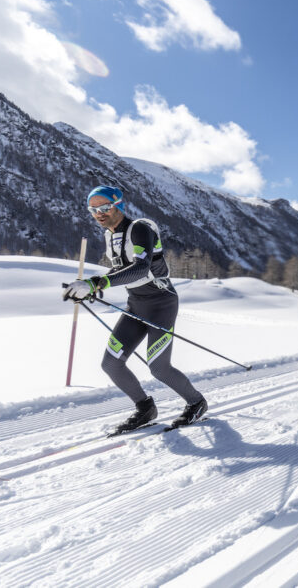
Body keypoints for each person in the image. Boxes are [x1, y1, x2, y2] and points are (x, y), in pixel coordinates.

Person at [63, 185, 207, 434]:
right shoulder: (110, 235)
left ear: (118, 205)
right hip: (136, 304)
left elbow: (141, 268)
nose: (99, 213)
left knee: (159, 367)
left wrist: (96, 283)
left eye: (105, 207)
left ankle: (197, 402)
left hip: (161, 303)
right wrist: (89, 288)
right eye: (93, 209)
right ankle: (145, 408)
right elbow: (121, 269)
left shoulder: (140, 229)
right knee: (111, 364)